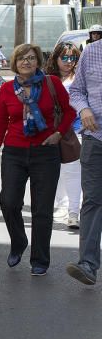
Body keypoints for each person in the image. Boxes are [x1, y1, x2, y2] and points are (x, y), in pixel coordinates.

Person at [0, 44, 75, 276]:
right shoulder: (7, 89)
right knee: (8, 202)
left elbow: (69, 111)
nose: (26, 62)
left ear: (38, 62)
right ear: (14, 63)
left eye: (31, 58)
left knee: (42, 210)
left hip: (45, 153)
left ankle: (40, 259)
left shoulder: (52, 84)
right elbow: (0, 122)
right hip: (14, 152)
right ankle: (18, 242)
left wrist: (58, 134)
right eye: (21, 59)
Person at [67, 37, 102, 285]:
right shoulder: (91, 51)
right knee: (93, 200)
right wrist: (83, 109)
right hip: (95, 138)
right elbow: (77, 90)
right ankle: (88, 264)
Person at [46, 42, 83, 229]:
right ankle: (61, 205)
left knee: (73, 172)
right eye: (65, 57)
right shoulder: (49, 79)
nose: (69, 62)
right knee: (56, 171)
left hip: (77, 131)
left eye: (73, 58)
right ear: (56, 58)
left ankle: (74, 211)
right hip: (53, 132)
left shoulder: (80, 78)